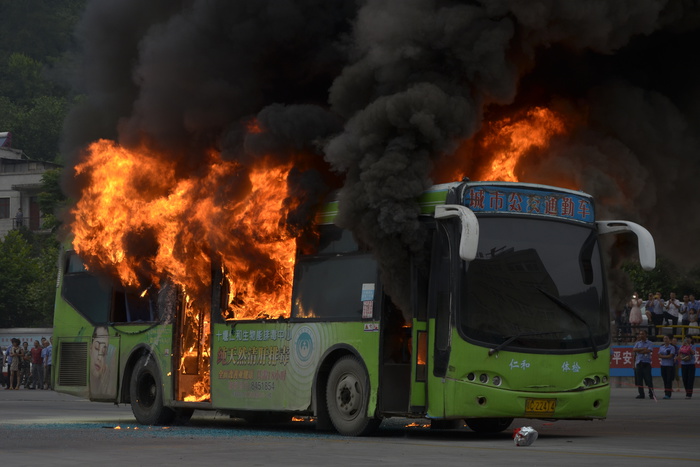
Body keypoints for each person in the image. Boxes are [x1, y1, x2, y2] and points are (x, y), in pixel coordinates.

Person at [633, 330, 655, 399]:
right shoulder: (638, 343)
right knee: (639, 380)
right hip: (639, 363)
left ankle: (651, 394)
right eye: (640, 334)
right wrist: (642, 349)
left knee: (648, 380)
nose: (641, 335)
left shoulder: (650, 343)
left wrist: (639, 350)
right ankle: (641, 394)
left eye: (642, 334)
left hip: (646, 363)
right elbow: (634, 350)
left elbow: (648, 350)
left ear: (646, 335)